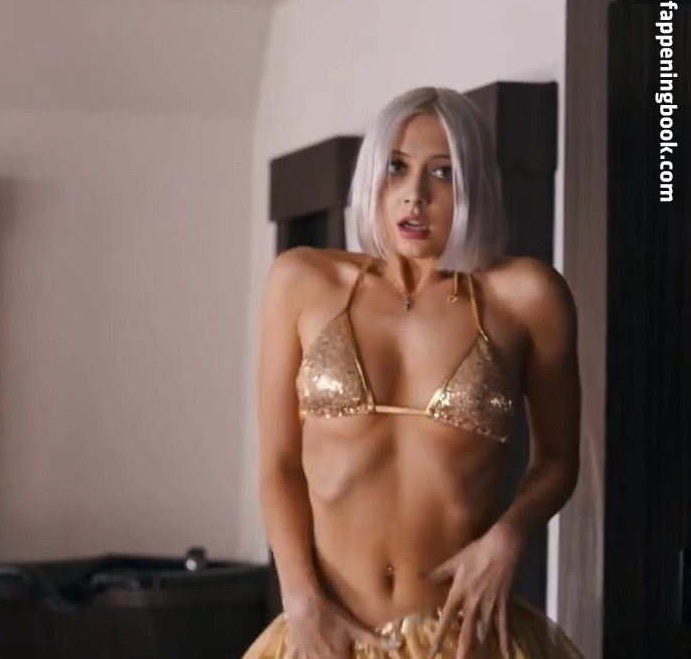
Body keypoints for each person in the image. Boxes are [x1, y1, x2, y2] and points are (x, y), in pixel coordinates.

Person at [244, 87, 582, 659]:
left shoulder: (528, 297)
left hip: (462, 638)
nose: (415, 196)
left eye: (443, 173)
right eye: (396, 167)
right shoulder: (301, 281)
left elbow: (558, 459)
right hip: (326, 633)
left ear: (475, 185)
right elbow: (279, 464)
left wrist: (507, 536)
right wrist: (298, 598)